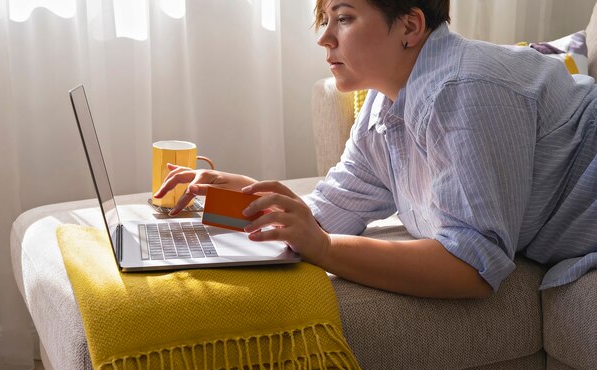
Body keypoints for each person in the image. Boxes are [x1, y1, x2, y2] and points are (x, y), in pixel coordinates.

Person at [154, 0, 597, 299]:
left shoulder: (463, 87)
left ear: (409, 26)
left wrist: (325, 249)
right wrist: (232, 200)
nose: (324, 37)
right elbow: (325, 213)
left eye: (343, 17)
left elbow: (473, 267)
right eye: (324, 18)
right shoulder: (382, 109)